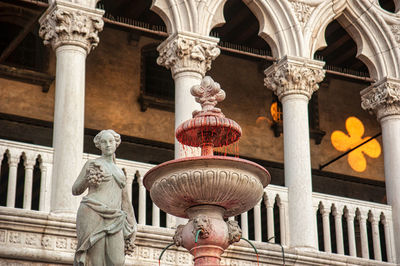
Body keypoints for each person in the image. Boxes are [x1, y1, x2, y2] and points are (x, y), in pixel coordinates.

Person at [72, 129, 136, 266]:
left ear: (116, 144)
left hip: (115, 217)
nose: (107, 144)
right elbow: (76, 190)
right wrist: (87, 179)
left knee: (117, 261)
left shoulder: (120, 171)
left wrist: (133, 224)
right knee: (97, 261)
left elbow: (125, 202)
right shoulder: (92, 164)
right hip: (92, 212)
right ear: (99, 145)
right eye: (104, 142)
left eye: (110, 141)